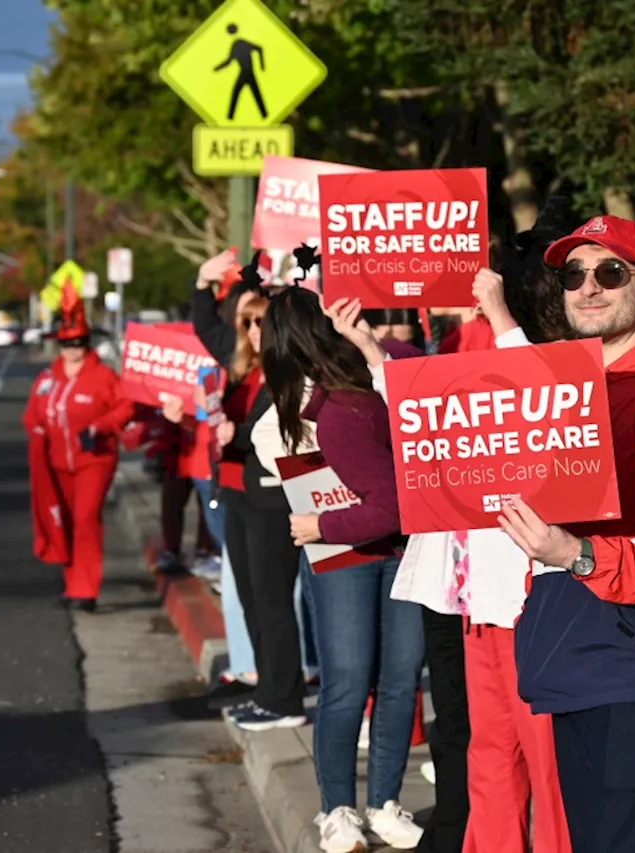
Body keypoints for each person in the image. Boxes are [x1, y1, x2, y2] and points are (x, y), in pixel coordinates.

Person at [491, 215, 635, 853]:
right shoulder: (575, 390)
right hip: (579, 652)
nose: (588, 287)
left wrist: (577, 554)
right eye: (574, 274)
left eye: (611, 273)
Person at [261, 286, 425, 853]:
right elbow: (269, 449)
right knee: (349, 683)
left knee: (400, 679)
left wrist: (367, 340)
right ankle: (337, 809)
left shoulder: (367, 380)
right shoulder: (320, 410)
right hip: (346, 561)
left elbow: (416, 378)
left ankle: (383, 803)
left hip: (392, 549)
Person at [192, 249, 309, 731]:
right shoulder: (240, 364)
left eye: (261, 323)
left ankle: (284, 699)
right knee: (251, 596)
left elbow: (279, 429)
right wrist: (202, 282)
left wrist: (232, 435)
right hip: (239, 494)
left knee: (272, 599)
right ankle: (268, 692)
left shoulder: (288, 372)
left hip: (269, 500)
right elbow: (207, 327)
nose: (253, 332)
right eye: (247, 323)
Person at [23, 280, 135, 611]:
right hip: (57, 463)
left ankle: (86, 589)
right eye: (68, 342)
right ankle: (72, 584)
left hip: (93, 461)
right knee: (66, 522)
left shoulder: (103, 377)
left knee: (86, 519)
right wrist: (39, 428)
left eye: (80, 342)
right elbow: (31, 414)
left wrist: (101, 426)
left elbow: (126, 406)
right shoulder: (47, 379)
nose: (74, 348)